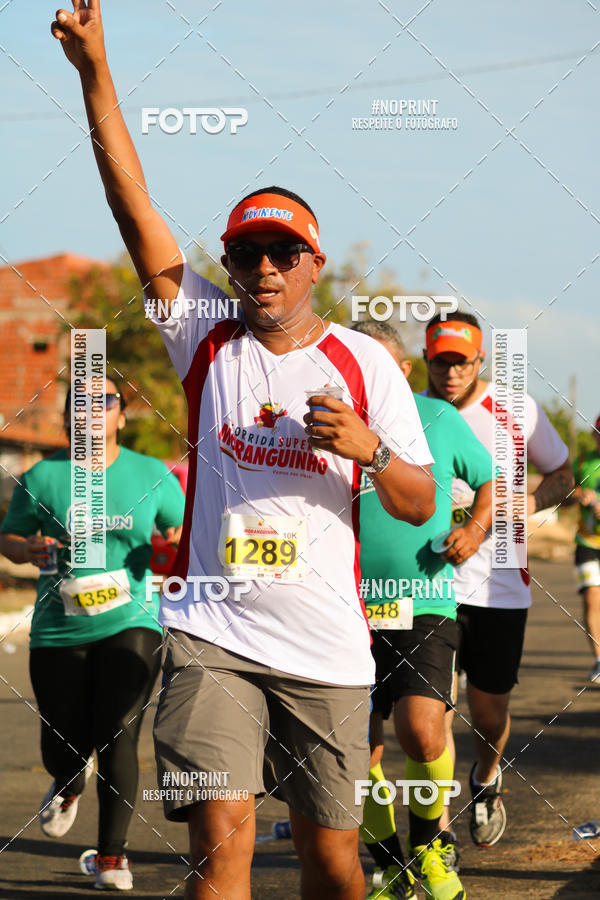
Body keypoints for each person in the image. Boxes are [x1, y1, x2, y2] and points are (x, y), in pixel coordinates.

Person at [50, 4, 437, 898]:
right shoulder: (206, 337)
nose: (265, 267)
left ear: (314, 264)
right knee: (219, 852)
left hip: (327, 651)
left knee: (332, 866)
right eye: (247, 252)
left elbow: (421, 503)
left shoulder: (365, 363)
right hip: (211, 638)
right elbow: (132, 207)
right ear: (228, 265)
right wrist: (94, 71)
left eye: (283, 252)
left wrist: (372, 451)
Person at [0, 378, 185, 891]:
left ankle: (111, 857)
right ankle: (67, 780)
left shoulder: (151, 474)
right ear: (67, 419)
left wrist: (172, 548)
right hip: (58, 629)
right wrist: (24, 549)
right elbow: (9, 536)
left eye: (104, 400)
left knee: (118, 730)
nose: (92, 409)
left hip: (132, 620)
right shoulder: (43, 476)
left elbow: (181, 532)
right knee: (63, 744)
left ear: (121, 416)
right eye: (80, 402)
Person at [353, 321, 494, 900]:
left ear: (404, 370)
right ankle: (389, 867)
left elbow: (489, 480)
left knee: (422, 732)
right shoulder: (331, 424)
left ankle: (429, 849)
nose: (371, 375)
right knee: (356, 749)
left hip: (425, 600)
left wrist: (475, 531)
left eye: (382, 364)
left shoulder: (437, 417)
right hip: (344, 607)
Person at [422, 311, 572, 851]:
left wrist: (528, 504)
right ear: (426, 361)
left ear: (480, 360)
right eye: (441, 362)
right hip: (429, 585)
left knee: (488, 715)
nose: (451, 373)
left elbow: (563, 473)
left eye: (461, 362)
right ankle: (436, 832)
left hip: (499, 588)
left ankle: (486, 778)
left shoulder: (515, 409)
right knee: (431, 715)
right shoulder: (410, 411)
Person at [571, 416, 600, 681]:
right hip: (587, 542)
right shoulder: (582, 462)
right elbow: (565, 492)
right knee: (592, 597)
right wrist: (579, 495)